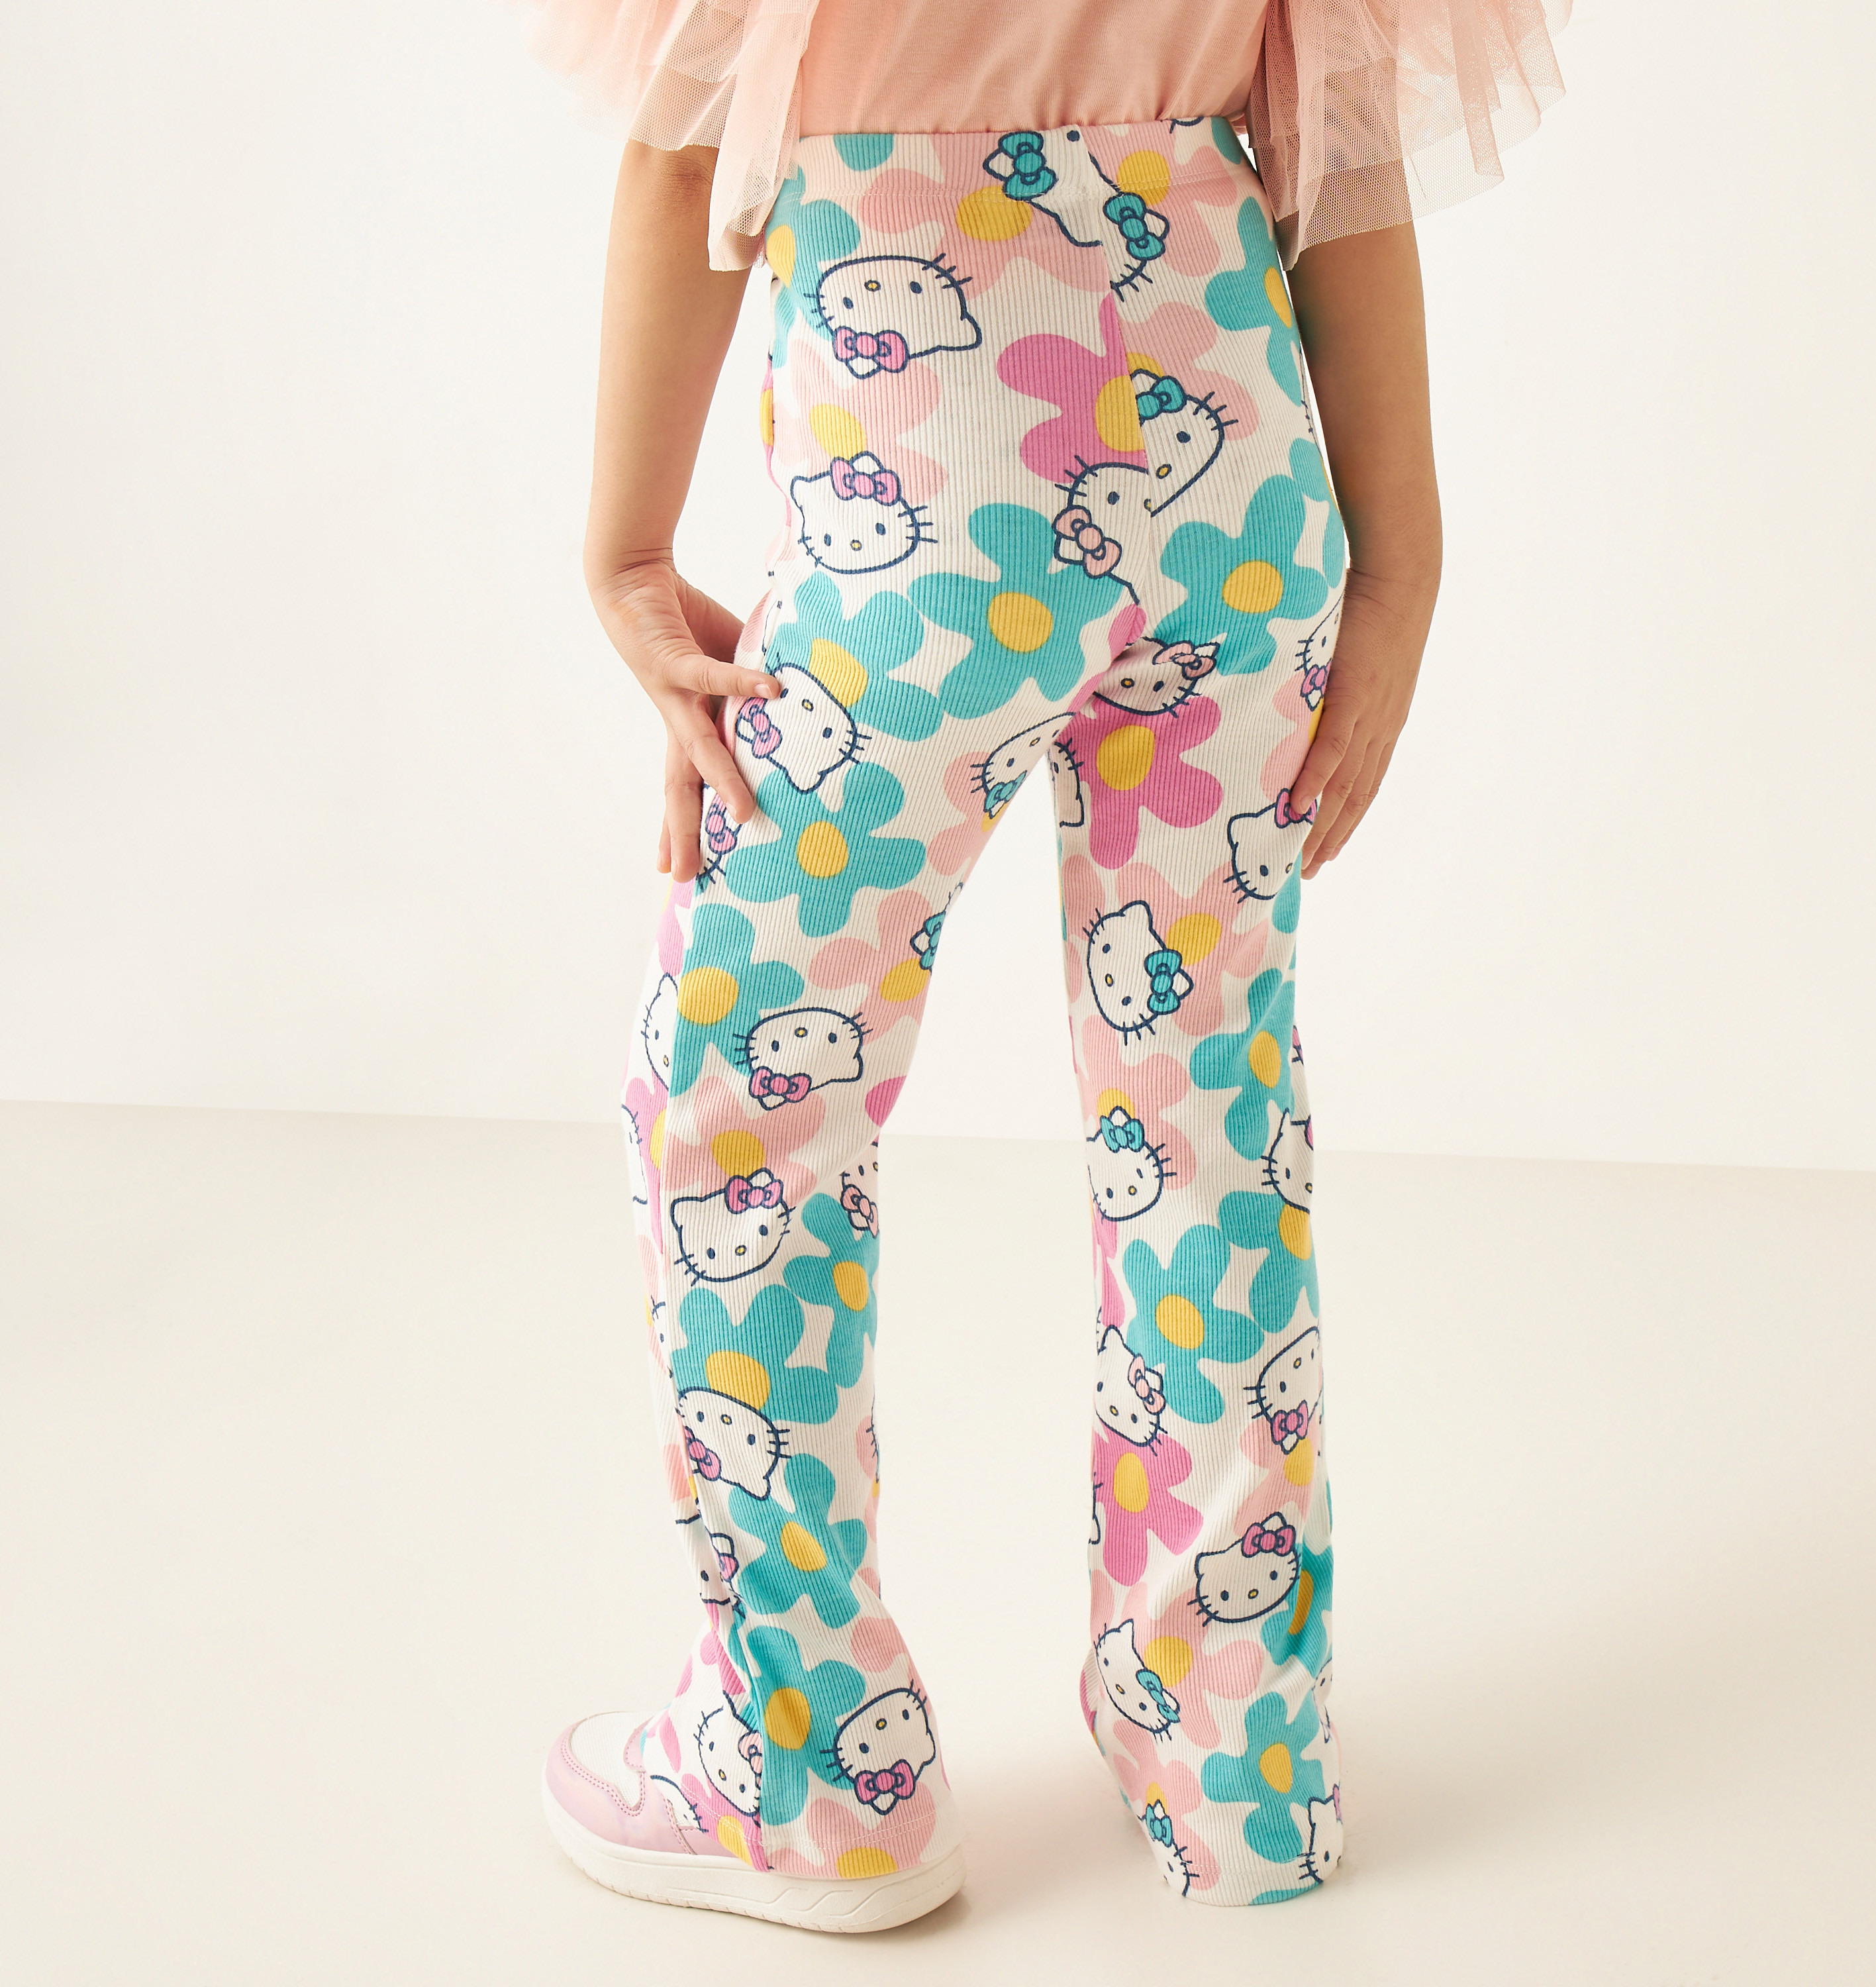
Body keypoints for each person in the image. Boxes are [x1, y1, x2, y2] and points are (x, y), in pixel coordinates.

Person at [521, 0, 1568, 1932]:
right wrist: (1399, 566)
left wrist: (626, 556)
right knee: (1208, 1117)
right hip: (1241, 501)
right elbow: (1339, 155)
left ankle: (809, 1774)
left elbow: (686, 159)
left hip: (931, 531)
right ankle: (1239, 1763)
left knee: (741, 1116)